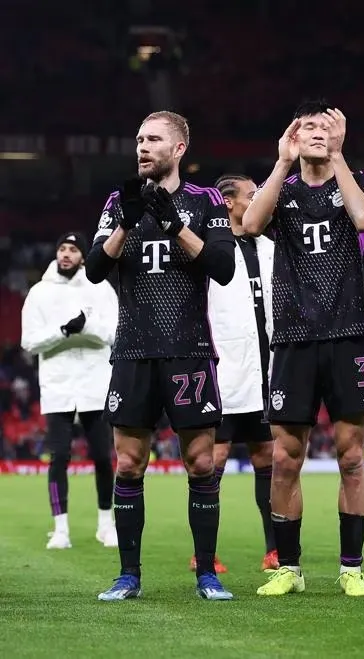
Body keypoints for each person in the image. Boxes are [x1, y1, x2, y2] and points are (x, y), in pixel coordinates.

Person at [86, 110, 237, 601]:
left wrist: (173, 224)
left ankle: (206, 575)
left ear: (178, 149)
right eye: (138, 139)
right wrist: (125, 225)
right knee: (128, 464)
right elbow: (93, 269)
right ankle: (128, 576)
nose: (142, 147)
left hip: (189, 352)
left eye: (153, 139)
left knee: (199, 464)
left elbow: (222, 267)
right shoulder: (118, 202)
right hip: (133, 350)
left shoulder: (206, 201)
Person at [243, 101, 364, 598]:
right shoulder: (283, 190)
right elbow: (252, 225)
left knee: (351, 457)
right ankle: (290, 568)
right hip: (294, 340)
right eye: (309, 128)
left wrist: (340, 157)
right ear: (293, 138)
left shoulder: (359, 180)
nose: (318, 134)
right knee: (285, 457)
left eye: (327, 128)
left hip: (347, 336)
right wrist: (281, 164)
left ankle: (351, 568)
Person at [185, 174, 278, 575]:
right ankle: (204, 553)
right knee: (212, 458)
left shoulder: (272, 248)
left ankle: (274, 550)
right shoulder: (209, 251)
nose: (260, 202)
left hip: (266, 370)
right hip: (223, 371)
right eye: (253, 195)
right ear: (227, 203)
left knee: (267, 456)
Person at [20, 231, 119, 550]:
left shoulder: (100, 287)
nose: (66, 254)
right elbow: (29, 341)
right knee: (59, 457)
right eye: (62, 248)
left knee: (103, 458)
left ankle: (106, 524)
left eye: (73, 250)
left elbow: (115, 333)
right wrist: (64, 331)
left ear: (83, 255)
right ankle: (60, 528)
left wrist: (85, 326)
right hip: (58, 385)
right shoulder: (39, 293)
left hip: (95, 383)